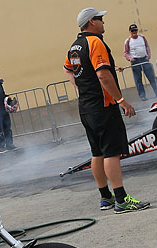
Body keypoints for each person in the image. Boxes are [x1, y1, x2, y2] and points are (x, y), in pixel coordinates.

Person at [64, 8, 150, 213]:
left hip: (86, 107)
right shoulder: (95, 42)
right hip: (103, 107)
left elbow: (67, 69)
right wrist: (121, 100)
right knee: (112, 152)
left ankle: (105, 197)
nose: (103, 22)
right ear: (91, 22)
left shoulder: (75, 46)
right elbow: (103, 75)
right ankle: (121, 199)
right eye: (100, 19)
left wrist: (81, 87)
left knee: (97, 153)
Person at [123, 24, 157, 101]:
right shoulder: (128, 41)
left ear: (137, 30)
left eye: (135, 30)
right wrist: (130, 59)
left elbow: (147, 46)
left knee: (152, 77)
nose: (134, 32)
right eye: (132, 31)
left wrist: (149, 55)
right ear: (130, 32)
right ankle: (142, 96)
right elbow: (125, 52)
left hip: (144, 59)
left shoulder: (142, 37)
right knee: (138, 80)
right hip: (135, 61)